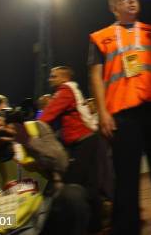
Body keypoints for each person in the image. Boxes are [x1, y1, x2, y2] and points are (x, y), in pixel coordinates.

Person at [89, 0, 151, 235]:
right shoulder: (101, 37)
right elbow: (96, 76)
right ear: (113, 8)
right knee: (127, 181)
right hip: (124, 114)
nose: (130, 2)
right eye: (124, 0)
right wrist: (103, 113)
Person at [0, 94, 89, 234]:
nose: (2, 120)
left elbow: (62, 163)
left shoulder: (34, 129)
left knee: (73, 195)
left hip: (38, 211)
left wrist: (28, 141)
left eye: (5, 112)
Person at [41, 66, 102, 232]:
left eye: (53, 76)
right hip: (89, 140)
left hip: (83, 142)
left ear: (63, 77)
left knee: (72, 185)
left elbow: (47, 115)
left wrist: (29, 130)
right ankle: (96, 225)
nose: (50, 79)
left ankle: (81, 226)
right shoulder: (72, 90)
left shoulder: (65, 90)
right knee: (90, 185)